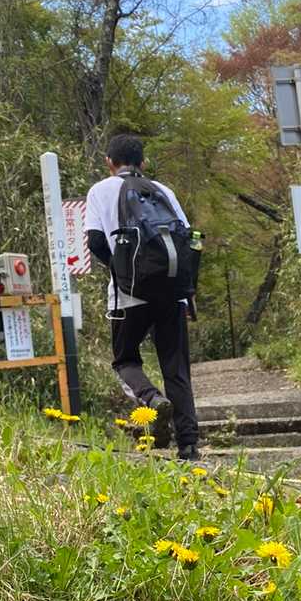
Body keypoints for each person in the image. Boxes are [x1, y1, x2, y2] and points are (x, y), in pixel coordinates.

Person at [85, 134, 201, 460]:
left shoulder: (100, 191)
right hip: (172, 293)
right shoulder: (163, 191)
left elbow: (95, 241)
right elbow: (188, 242)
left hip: (128, 295)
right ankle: (189, 445)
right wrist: (187, 293)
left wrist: (122, 270)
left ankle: (152, 399)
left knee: (124, 360)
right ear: (143, 163)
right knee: (176, 368)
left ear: (109, 162)